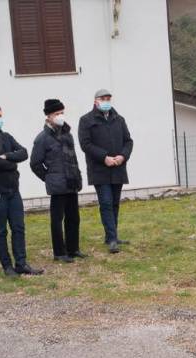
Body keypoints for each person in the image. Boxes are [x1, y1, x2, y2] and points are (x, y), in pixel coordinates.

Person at [0, 103, 43, 277]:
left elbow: (24, 153)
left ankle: (21, 263)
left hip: (12, 189)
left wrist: (7, 157)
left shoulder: (6, 137)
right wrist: (11, 163)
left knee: (18, 227)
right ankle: (7, 267)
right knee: (1, 230)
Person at [78, 89, 133, 254]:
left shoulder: (119, 119)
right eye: (103, 98)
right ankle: (112, 238)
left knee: (115, 203)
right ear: (96, 101)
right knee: (106, 203)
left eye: (108, 98)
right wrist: (104, 157)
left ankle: (112, 236)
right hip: (99, 170)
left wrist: (123, 156)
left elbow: (128, 141)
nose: (106, 101)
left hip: (118, 168)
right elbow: (85, 144)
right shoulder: (86, 120)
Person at [30, 99, 85, 263]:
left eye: (62, 113)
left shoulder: (67, 133)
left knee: (73, 217)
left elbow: (73, 158)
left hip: (71, 181)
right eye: (56, 113)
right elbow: (35, 163)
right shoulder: (42, 138)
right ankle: (59, 252)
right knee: (57, 219)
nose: (60, 116)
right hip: (57, 184)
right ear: (48, 117)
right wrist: (48, 177)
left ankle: (73, 249)